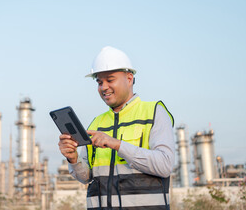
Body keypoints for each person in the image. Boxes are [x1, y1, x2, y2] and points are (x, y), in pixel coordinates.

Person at [58, 46, 175, 210]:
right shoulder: (96, 123)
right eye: (99, 82)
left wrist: (117, 144)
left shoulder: (154, 112)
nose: (103, 87)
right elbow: (86, 177)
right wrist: (73, 158)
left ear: (129, 78)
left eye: (110, 80)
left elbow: (164, 165)